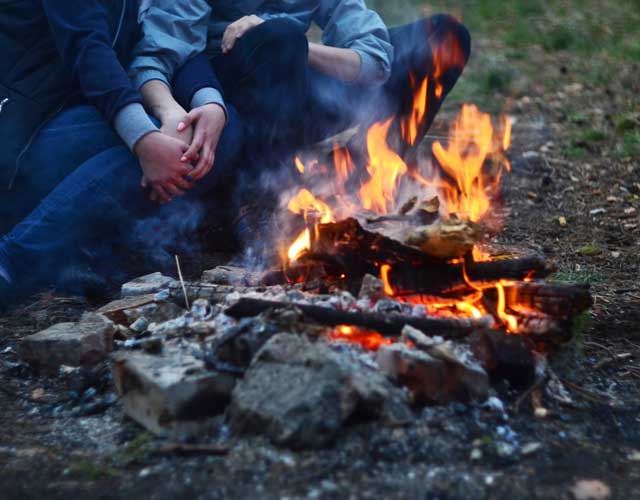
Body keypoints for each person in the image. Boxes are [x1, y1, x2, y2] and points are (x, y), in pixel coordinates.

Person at [0, 0, 245, 309]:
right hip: (28, 129)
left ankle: (86, 248)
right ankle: (13, 261)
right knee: (164, 142)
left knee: (219, 129)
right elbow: (87, 49)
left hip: (93, 114)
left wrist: (206, 103)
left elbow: (169, 46)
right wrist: (144, 139)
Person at [129, 0, 471, 167]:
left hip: (295, 91)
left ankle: (360, 175)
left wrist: (304, 49)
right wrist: (167, 111)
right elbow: (154, 59)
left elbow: (376, 61)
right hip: (233, 103)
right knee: (280, 38)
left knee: (445, 37)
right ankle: (257, 202)